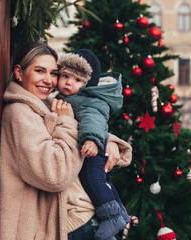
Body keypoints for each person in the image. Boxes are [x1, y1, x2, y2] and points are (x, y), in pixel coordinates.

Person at [0, 42, 132, 240]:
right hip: (73, 223)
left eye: (53, 73)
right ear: (19, 72)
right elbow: (55, 174)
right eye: (40, 71)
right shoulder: (19, 113)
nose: (48, 80)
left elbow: (84, 120)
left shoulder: (46, 103)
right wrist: (67, 121)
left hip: (84, 216)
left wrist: (108, 141)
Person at [56, 49, 132, 240]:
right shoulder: (67, 99)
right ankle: (120, 212)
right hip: (93, 147)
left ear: (86, 84)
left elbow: (92, 121)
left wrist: (92, 140)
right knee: (104, 181)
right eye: (65, 76)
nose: (68, 82)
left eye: (76, 80)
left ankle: (113, 216)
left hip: (92, 148)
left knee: (94, 180)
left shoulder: (84, 101)